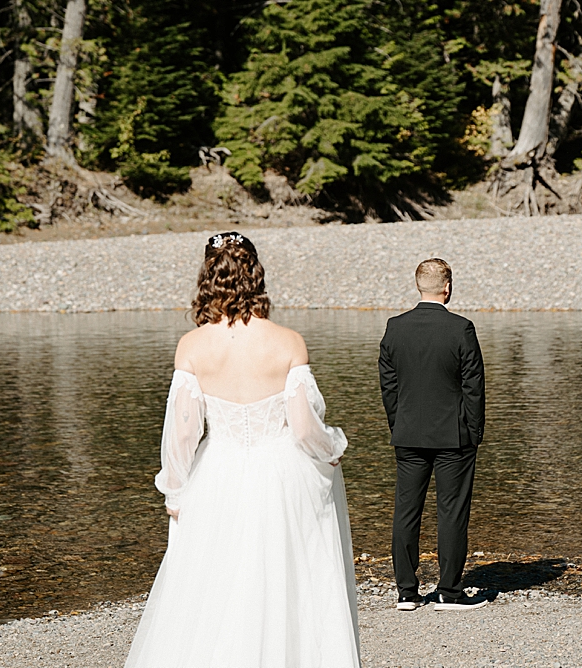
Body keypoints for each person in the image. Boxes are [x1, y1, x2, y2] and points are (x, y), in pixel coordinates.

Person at [125, 232, 360, 668]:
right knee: (289, 578)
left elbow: (182, 431)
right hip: (283, 474)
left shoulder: (192, 347)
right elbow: (305, 426)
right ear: (256, 276)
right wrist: (332, 449)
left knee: (214, 583)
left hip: (220, 471)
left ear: (207, 279)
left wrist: (175, 490)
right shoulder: (288, 341)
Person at [378, 258, 487, 612]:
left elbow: (388, 385)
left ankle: (407, 592)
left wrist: (398, 423)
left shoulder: (396, 327)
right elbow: (474, 387)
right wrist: (474, 432)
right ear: (448, 286)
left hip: (408, 432)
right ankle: (449, 592)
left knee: (406, 511)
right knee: (452, 512)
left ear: (418, 286)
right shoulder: (461, 328)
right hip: (454, 436)